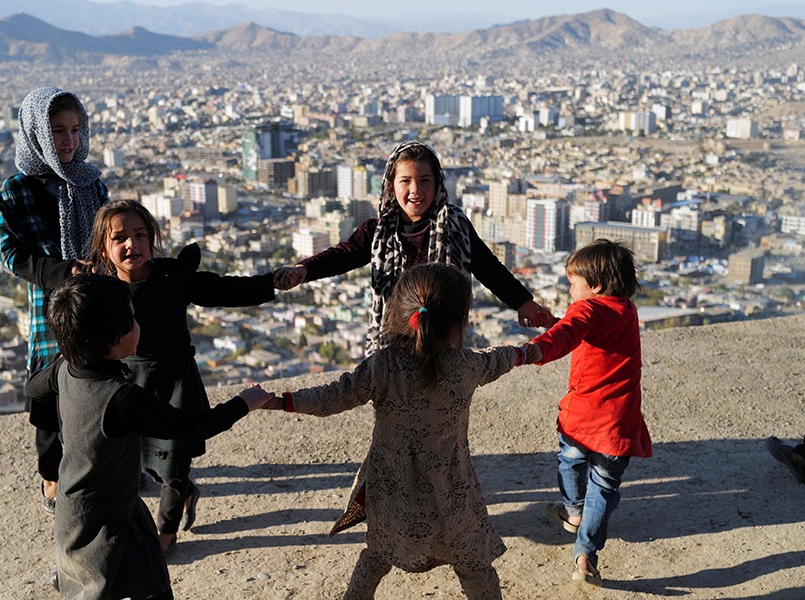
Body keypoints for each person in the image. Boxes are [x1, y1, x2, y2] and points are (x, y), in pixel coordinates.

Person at [266, 262, 538, 600]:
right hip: (450, 491)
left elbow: (335, 396)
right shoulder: (467, 366)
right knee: (473, 562)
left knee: (378, 553)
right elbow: (500, 358)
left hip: (391, 488)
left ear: (398, 310)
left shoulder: (383, 367)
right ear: (458, 321)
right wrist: (528, 351)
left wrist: (281, 401)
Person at [25, 274, 274, 600]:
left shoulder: (63, 369)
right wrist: (244, 403)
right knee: (148, 589)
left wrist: (64, 431)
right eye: (131, 319)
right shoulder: (120, 398)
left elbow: (32, 391)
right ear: (112, 339)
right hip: (110, 523)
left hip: (74, 511)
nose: (137, 322)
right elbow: (190, 428)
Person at [87, 199, 277, 552]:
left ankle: (165, 532)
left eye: (140, 235)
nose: (132, 244)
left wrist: (271, 283)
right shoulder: (102, 293)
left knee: (174, 462)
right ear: (103, 248)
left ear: (152, 238)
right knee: (141, 460)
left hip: (175, 383)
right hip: (130, 385)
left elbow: (223, 290)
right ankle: (187, 492)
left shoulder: (172, 277)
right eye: (120, 238)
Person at [273, 140, 555, 355]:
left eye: (424, 181)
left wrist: (523, 302)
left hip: (442, 339)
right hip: (392, 339)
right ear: (391, 186)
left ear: (438, 184)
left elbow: (487, 267)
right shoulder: (379, 229)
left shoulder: (454, 225)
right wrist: (304, 270)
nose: (415, 190)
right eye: (405, 181)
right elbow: (342, 255)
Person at [0, 86, 109, 515]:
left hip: (95, 298)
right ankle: (52, 476)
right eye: (58, 131)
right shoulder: (16, 191)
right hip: (50, 306)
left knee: (100, 382)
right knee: (49, 393)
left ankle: (104, 462)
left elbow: (106, 234)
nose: (69, 140)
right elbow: (12, 254)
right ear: (37, 133)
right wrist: (64, 271)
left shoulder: (89, 181)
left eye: (76, 130)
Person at [523, 239, 652, 588]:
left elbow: (569, 331)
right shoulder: (626, 310)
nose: (569, 288)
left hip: (581, 421)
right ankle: (585, 555)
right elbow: (580, 328)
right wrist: (555, 322)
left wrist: (536, 349)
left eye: (572, 282)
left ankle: (573, 512)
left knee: (570, 463)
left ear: (594, 286)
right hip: (618, 425)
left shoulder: (587, 309)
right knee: (605, 488)